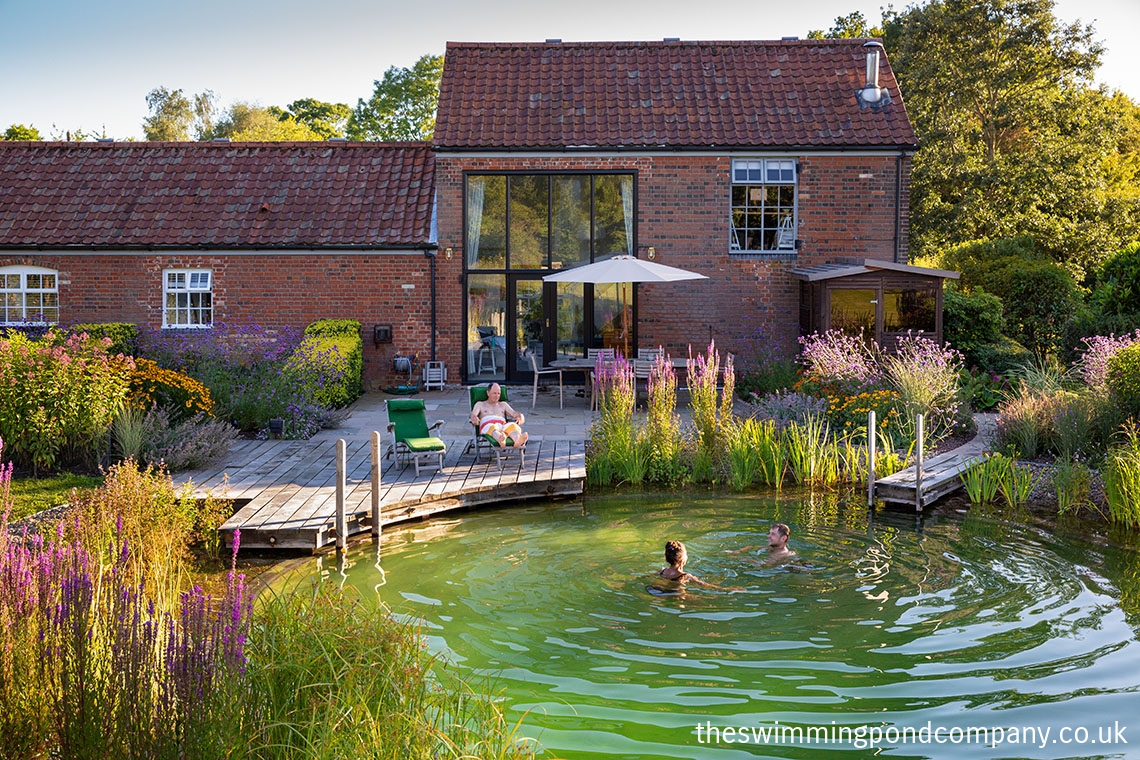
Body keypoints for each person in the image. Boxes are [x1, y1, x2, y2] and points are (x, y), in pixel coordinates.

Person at [469, 382, 528, 448]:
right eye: (494, 393)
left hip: (502, 425)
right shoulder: (480, 404)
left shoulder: (503, 404)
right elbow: (473, 414)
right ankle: (500, 439)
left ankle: (517, 440)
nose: (497, 396)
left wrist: (520, 416)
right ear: (488, 393)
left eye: (498, 393)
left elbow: (514, 413)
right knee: (493, 428)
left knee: (512, 425)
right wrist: (474, 418)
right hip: (488, 425)